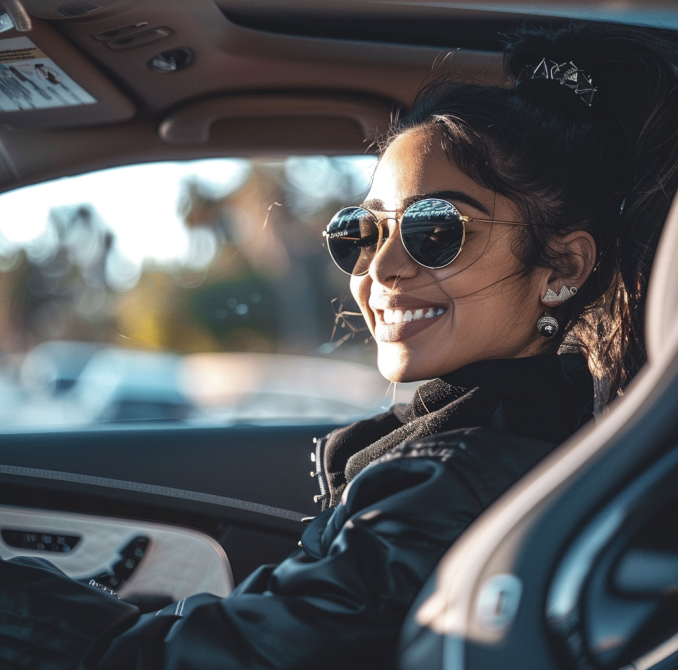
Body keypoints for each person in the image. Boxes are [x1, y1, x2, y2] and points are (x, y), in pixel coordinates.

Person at [2, 20, 678, 670]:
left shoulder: (453, 476)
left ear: (561, 268)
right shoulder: (506, 445)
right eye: (361, 232)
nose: (380, 270)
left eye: (435, 229)